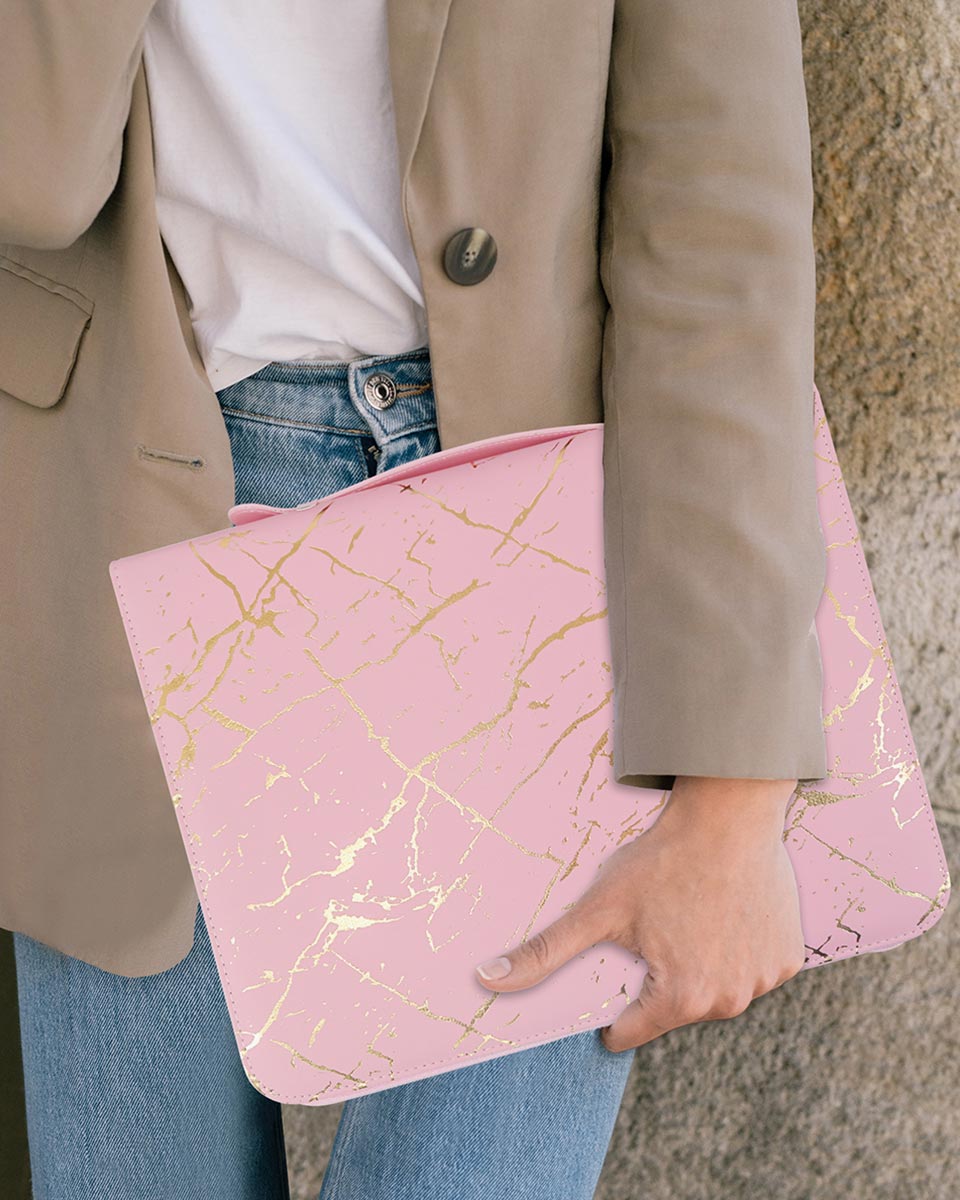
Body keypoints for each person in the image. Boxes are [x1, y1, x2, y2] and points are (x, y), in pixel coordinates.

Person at [0, 1, 828, 1197]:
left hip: (533, 544)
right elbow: (30, 169)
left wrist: (734, 802)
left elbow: (719, 232)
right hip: (130, 511)